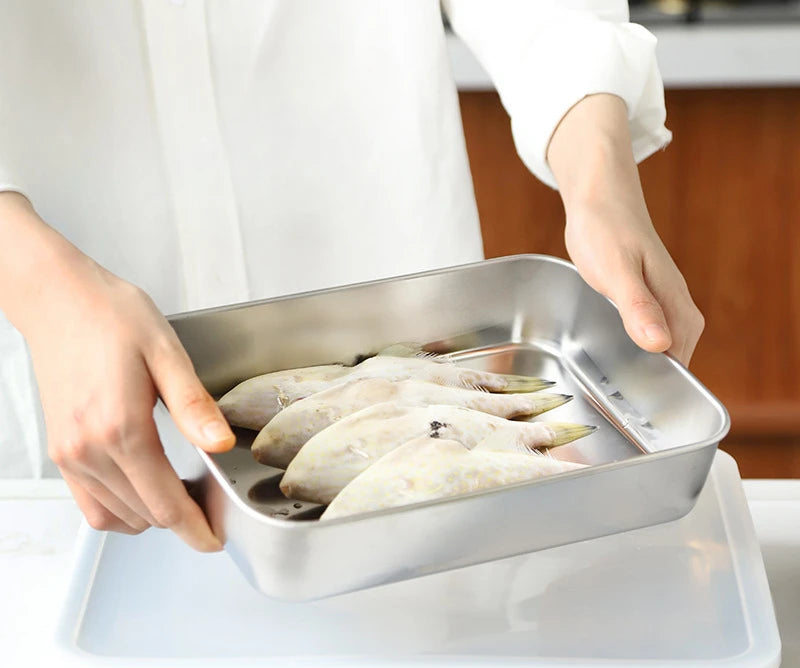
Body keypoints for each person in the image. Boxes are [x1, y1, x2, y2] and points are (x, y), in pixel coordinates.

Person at [0, 1, 703, 551]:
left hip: (404, 338)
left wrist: (599, 182)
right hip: (59, 371)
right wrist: (37, 284)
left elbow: (543, 13)